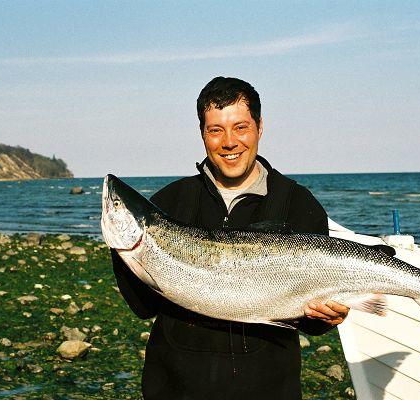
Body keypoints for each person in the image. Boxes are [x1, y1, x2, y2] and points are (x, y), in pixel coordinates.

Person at [111, 76, 349, 399]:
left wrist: (327, 318)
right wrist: (125, 250)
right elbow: (142, 306)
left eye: (240, 127)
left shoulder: (298, 204)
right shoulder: (170, 203)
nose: (229, 142)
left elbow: (310, 320)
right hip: (175, 390)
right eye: (216, 130)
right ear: (202, 134)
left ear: (259, 127)